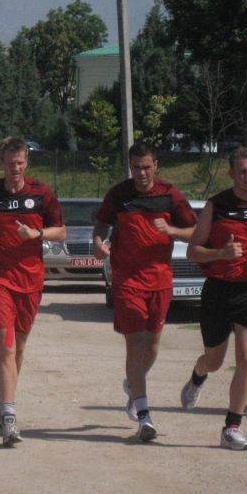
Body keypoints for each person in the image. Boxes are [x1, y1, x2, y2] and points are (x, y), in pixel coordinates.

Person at [93, 142, 197, 442]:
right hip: (127, 282)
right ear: (130, 167)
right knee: (135, 345)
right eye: (136, 167)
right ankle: (144, 415)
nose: (141, 173)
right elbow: (101, 224)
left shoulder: (170, 195)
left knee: (151, 347)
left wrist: (172, 231)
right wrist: (98, 242)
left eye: (146, 167)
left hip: (160, 281)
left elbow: (195, 231)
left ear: (156, 166)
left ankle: (132, 384)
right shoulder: (119, 195)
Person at [0, 137, 66, 447]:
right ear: (2, 164)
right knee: (6, 346)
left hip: (30, 280)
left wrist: (36, 233)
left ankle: (3, 396)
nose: (16, 168)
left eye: (21, 162)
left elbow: (61, 232)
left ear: (27, 163)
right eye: (11, 163)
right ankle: (9, 416)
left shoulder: (41, 193)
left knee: (18, 348)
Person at [180, 147, 247, 450]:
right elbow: (193, 251)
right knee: (214, 360)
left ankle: (232, 427)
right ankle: (198, 376)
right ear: (231, 173)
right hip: (218, 290)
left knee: (246, 357)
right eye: (242, 171)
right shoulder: (217, 206)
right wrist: (221, 253)